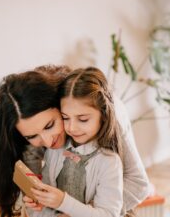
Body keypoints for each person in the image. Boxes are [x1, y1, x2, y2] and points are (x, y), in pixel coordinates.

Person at [0, 65, 149, 217]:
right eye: (31, 136)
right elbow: (33, 168)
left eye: (50, 125)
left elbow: (138, 184)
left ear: (60, 106)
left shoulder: (106, 117)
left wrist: (78, 209)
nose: (47, 141)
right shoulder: (48, 145)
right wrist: (36, 196)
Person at [24, 67, 124, 217]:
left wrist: (63, 202)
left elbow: (108, 214)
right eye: (65, 117)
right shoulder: (55, 150)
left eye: (83, 119)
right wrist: (38, 203)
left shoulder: (109, 162)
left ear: (103, 115)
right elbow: (42, 207)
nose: (71, 127)